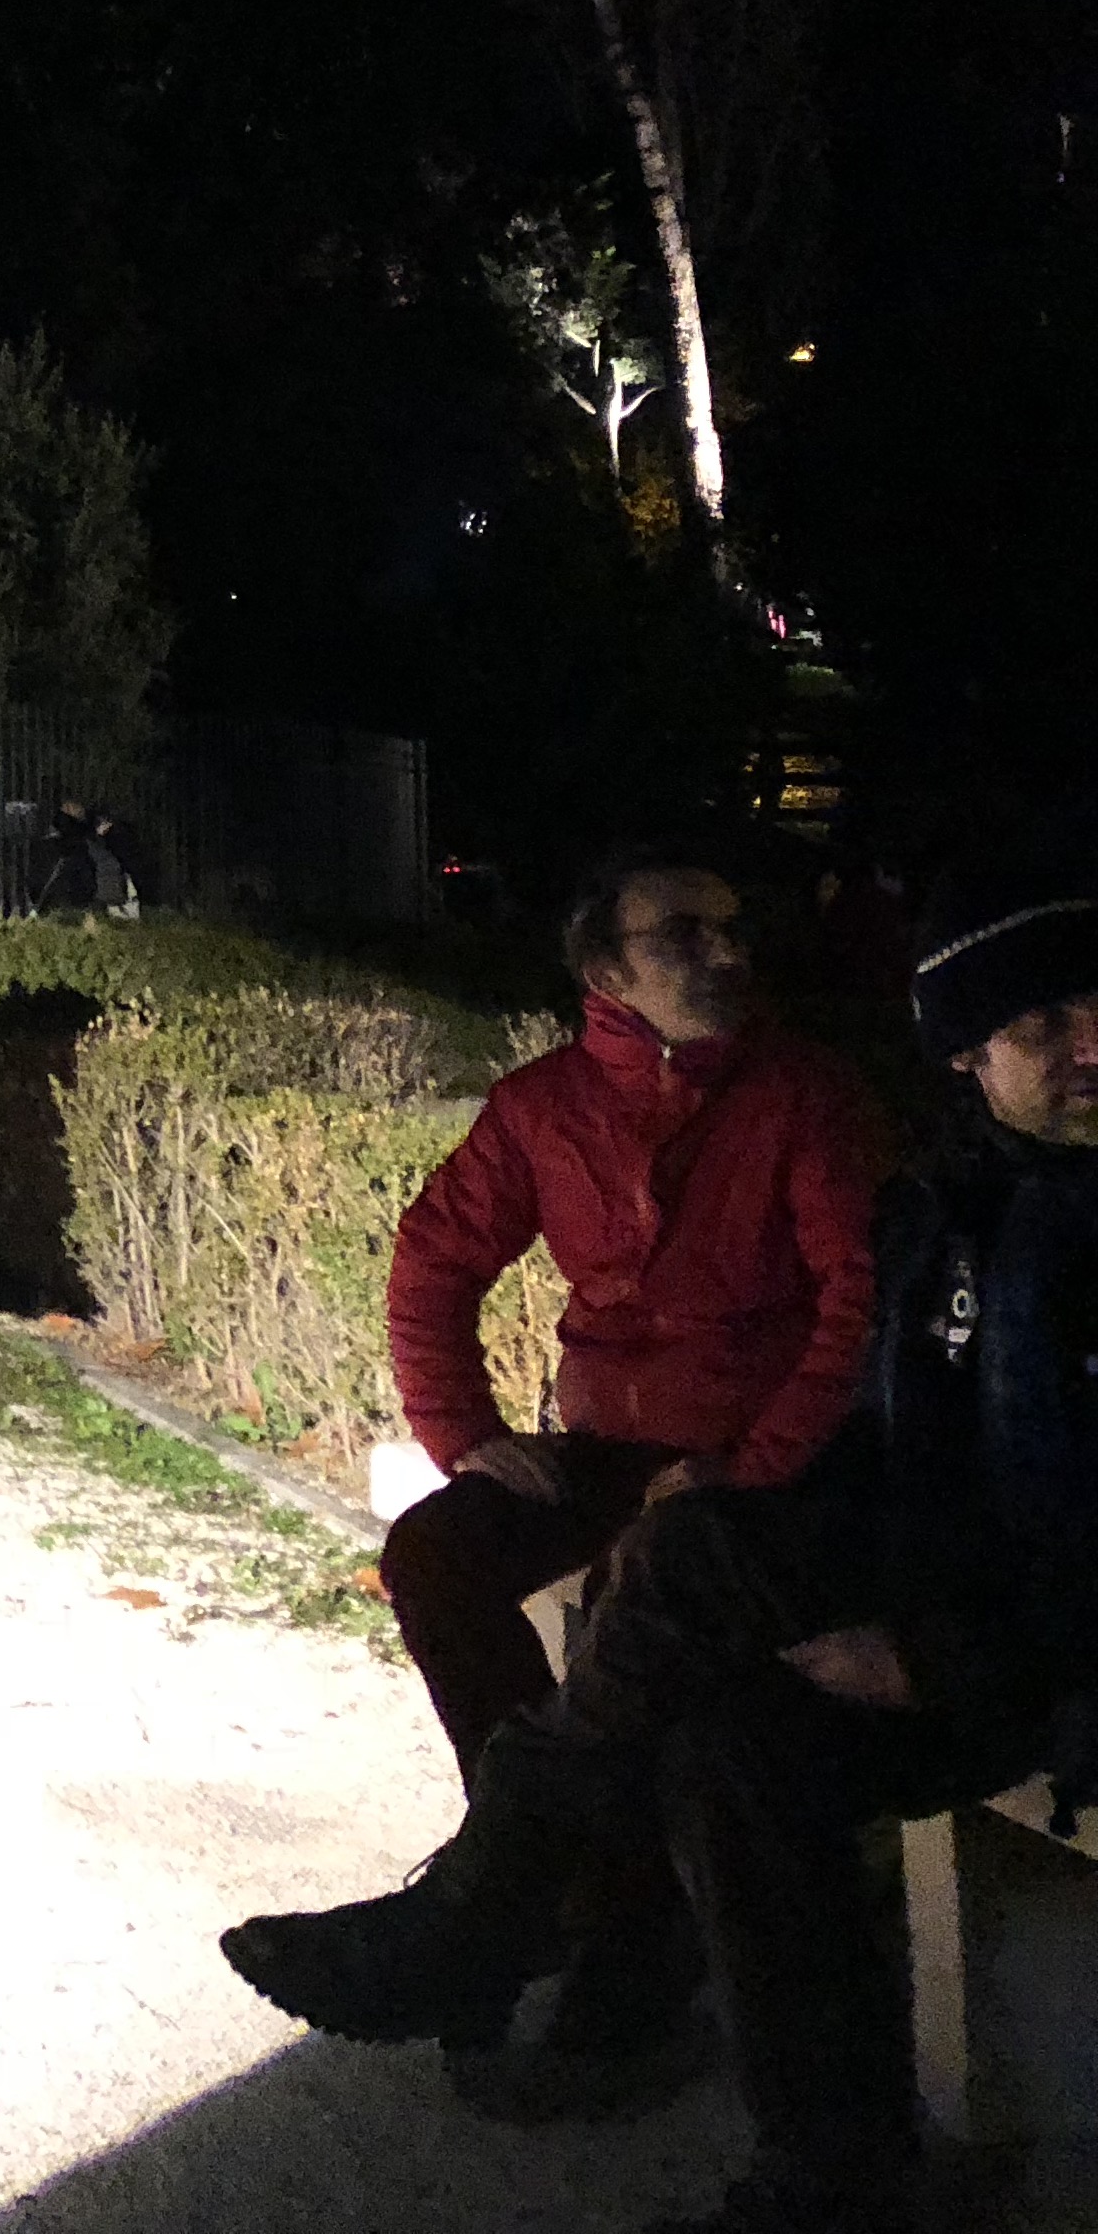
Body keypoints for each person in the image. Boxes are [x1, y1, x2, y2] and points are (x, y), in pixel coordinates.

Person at [219, 872, 1098, 2234]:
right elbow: (439, 1257)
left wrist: (916, 1636)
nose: (1093, 1044)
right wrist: (465, 1433)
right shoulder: (958, 1200)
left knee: (693, 1579)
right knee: (666, 1691)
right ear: (966, 1055)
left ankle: (495, 1910)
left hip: (998, 1624)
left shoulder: (822, 1109)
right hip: (765, 1504)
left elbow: (848, 1352)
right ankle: (825, 2173)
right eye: (1044, 1022)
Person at [381, 849, 885, 1779]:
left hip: (766, 1462)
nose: (727, 953)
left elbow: (857, 1301)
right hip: (609, 1450)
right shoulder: (544, 1107)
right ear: (606, 972)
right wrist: (463, 1432)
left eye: (732, 929)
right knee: (432, 1556)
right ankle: (534, 1826)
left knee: (651, 1592)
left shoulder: (803, 1096)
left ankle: (569, 1838)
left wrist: (752, 1467)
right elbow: (434, 1262)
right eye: (685, 935)